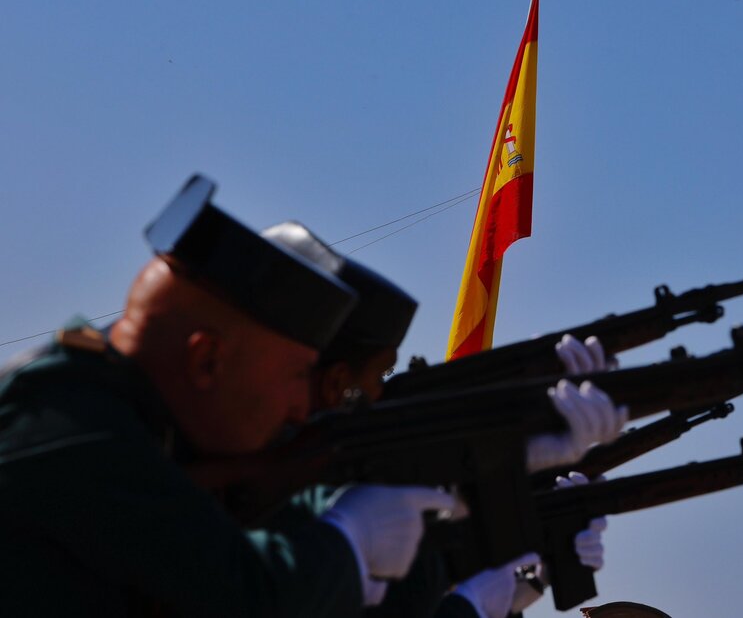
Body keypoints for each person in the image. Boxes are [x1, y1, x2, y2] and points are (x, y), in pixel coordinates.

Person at [0, 175, 456, 616]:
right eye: (297, 375)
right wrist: (350, 541)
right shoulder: (69, 419)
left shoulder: (111, 411)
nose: (302, 408)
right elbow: (246, 595)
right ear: (207, 361)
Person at [263, 221, 621, 618]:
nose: (381, 397)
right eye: (374, 382)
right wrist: (471, 606)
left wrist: (521, 589)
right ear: (335, 383)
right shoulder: (272, 495)